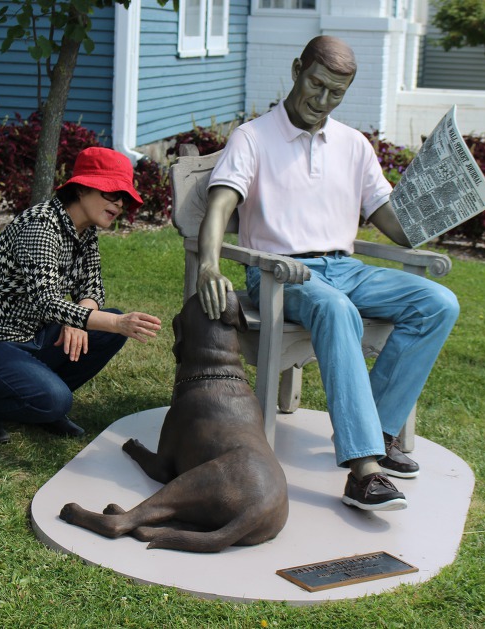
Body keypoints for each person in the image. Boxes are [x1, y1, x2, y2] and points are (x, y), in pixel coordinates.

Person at [195, 36, 459, 511]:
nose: (322, 100)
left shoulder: (353, 145)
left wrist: (444, 206)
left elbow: (392, 224)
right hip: (281, 274)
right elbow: (219, 206)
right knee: (336, 310)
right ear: (298, 69)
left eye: (335, 93)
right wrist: (210, 264)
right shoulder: (253, 138)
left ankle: (374, 430)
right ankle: (363, 473)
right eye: (316, 85)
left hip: (345, 268)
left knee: (439, 303)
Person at [0, 147, 162, 443]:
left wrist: (78, 320)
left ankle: (39, 405)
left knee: (106, 327)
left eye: (124, 197)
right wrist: (115, 323)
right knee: (60, 396)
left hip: (33, 334)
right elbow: (46, 301)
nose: (120, 203)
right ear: (83, 188)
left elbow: (92, 288)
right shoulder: (41, 225)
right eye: (112, 193)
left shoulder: (85, 230)